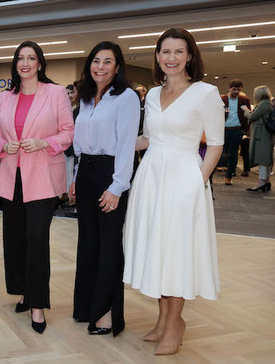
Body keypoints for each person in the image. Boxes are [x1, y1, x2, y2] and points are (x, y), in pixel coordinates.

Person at [123, 28, 224, 355]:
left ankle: (175, 323)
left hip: (184, 179)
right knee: (156, 248)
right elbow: (149, 139)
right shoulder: (151, 95)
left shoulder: (205, 93)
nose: (171, 58)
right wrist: (115, 144)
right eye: (165, 52)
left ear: (190, 56)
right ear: (157, 56)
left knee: (177, 251)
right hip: (151, 178)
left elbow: (216, 146)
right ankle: (163, 317)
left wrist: (198, 182)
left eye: (178, 52)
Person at [0, 41, 74, 333]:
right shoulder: (6, 97)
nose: (25, 63)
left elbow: (68, 132)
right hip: (12, 177)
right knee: (16, 239)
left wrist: (44, 143)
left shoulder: (55, 93)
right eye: (20, 58)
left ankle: (38, 304)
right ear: (15, 64)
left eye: (31, 58)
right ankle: (25, 290)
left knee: (37, 238)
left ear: (40, 63)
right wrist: (4, 145)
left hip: (43, 178)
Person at [69, 41, 139, 338]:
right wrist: (74, 177)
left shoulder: (127, 98)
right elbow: (79, 148)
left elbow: (126, 145)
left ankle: (109, 313)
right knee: (88, 244)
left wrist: (117, 187)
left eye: (107, 62)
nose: (100, 66)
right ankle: (87, 307)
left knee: (109, 246)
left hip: (111, 175)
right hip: (86, 174)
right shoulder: (85, 99)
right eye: (96, 61)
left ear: (117, 67)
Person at [242, 85, 273, 191]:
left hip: (261, 135)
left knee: (262, 159)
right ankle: (266, 181)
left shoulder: (264, 104)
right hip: (263, 134)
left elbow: (252, 116)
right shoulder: (267, 103)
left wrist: (246, 110)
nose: (254, 95)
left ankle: (261, 182)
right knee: (264, 159)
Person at [221, 79, 251, 184]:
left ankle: (229, 176)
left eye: (238, 90)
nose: (236, 92)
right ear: (229, 88)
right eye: (234, 89)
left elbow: (248, 116)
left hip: (237, 130)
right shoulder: (222, 99)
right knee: (220, 152)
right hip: (223, 130)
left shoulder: (244, 100)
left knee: (233, 154)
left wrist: (245, 131)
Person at [62, 83, 80, 207]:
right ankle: (69, 198)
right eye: (67, 93)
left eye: (72, 93)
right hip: (67, 146)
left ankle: (74, 200)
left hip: (77, 146)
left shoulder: (81, 108)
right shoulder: (66, 108)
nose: (69, 96)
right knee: (68, 173)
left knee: (75, 172)